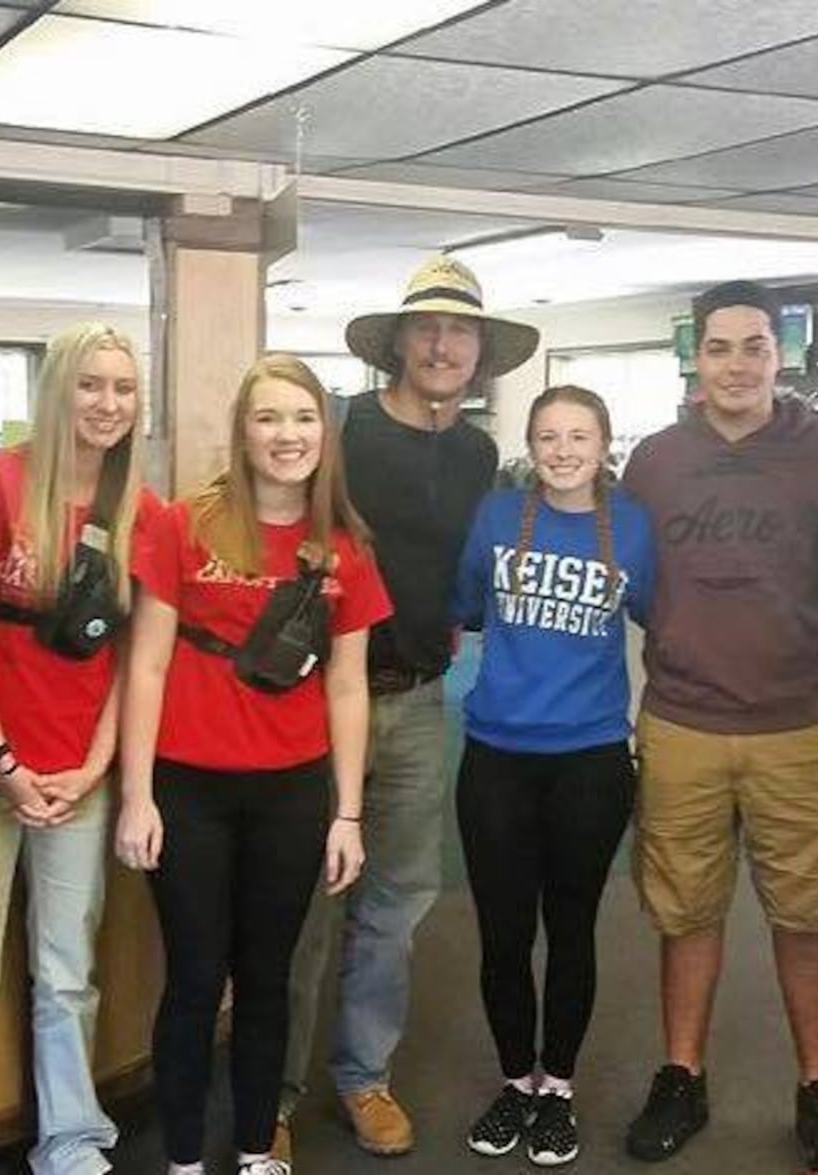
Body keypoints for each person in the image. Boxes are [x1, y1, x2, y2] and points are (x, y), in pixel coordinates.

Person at [275, 255, 540, 1161]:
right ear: (397, 343)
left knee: (395, 900)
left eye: (459, 330)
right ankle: (270, 1084)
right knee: (304, 900)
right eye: (426, 328)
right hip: (317, 702)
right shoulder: (342, 431)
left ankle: (363, 1075)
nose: (441, 343)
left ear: (479, 353)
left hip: (423, 701)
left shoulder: (476, 454)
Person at [115, 354, 391, 1175]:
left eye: (304, 418)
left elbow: (347, 685)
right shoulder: (182, 524)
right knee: (196, 978)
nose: (287, 435)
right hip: (188, 786)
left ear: (325, 433)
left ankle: (252, 1149)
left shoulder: (344, 548)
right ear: (242, 430)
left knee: (267, 978)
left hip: (293, 791)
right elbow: (149, 667)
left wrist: (347, 813)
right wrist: (137, 796)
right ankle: (185, 1160)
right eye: (268, 418)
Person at [621, 279, 818, 1171]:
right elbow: (632, 580)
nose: (736, 364)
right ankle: (681, 1076)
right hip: (684, 720)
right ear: (697, 355)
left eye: (754, 346)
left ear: (781, 354)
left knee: (807, 916)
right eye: (719, 346)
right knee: (684, 912)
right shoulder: (653, 460)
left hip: (800, 723)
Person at [0, 322, 158, 1175]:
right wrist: (1, 761)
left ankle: (69, 1137)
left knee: (66, 971)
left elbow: (135, 656)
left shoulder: (142, 508)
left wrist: (95, 767)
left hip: (76, 777)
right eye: (89, 385)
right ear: (57, 391)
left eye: (123, 388)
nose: (107, 403)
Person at [451, 385, 656, 1166]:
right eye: (547, 436)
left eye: (578, 435)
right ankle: (514, 1081)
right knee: (503, 933)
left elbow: (663, 615)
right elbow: (469, 603)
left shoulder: (633, 527)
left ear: (604, 444)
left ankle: (558, 1087)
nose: (563, 450)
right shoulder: (498, 517)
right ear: (529, 445)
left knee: (570, 929)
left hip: (592, 757)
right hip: (497, 753)